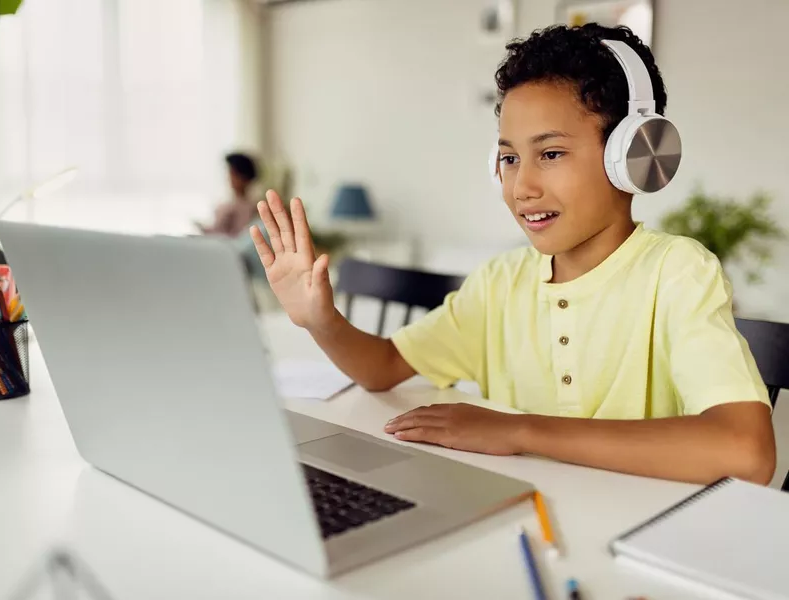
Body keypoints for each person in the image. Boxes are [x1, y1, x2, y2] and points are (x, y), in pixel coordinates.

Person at [249, 24, 776, 485]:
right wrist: (321, 321)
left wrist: (519, 430)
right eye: (508, 158)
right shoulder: (500, 283)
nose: (521, 186)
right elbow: (384, 367)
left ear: (633, 158)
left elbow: (746, 451)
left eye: (550, 154)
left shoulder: (677, 273)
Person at [198, 153, 260, 238]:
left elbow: (236, 237)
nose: (229, 177)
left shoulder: (247, 207)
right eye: (230, 173)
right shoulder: (231, 202)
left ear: (245, 177)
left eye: (233, 174)